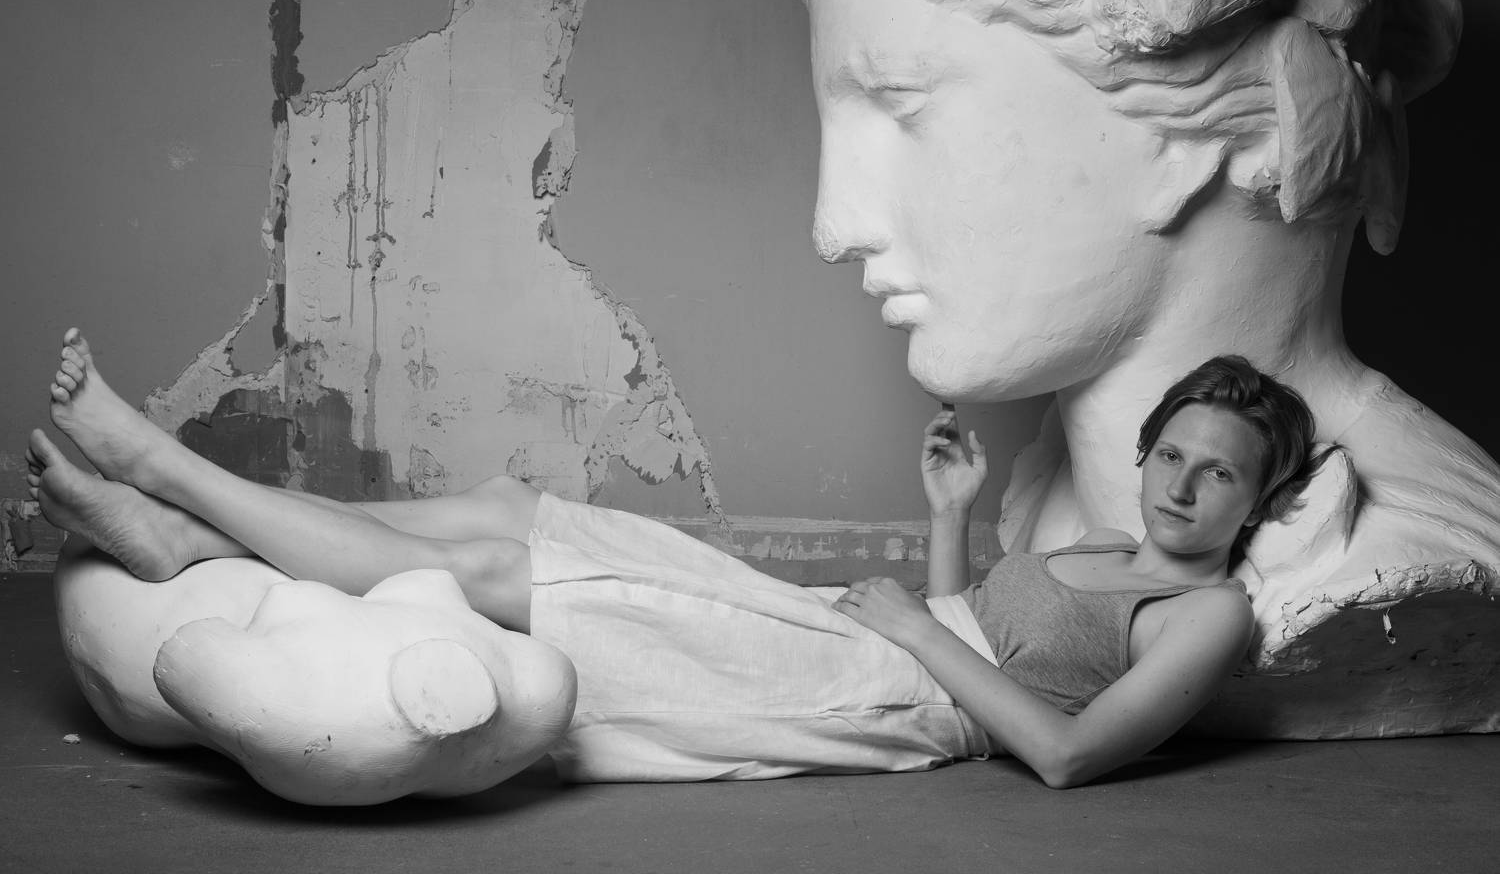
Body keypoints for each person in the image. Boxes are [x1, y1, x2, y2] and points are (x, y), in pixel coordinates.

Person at [753, 0, 1498, 736]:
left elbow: (1058, 747)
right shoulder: (1058, 507)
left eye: (903, 107)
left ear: (1195, 144)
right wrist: (950, 523)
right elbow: (972, 635)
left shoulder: (1414, 559)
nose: (834, 228)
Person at [29, 329, 1319, 787]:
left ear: (1261, 499)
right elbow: (974, 617)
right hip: (864, 629)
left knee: (507, 582)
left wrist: (921, 630)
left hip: (879, 682)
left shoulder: (1211, 614)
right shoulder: (1104, 539)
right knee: (515, 515)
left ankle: (168, 479)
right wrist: (952, 516)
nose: (1181, 485)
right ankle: (194, 534)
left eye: (1219, 474)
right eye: (1171, 454)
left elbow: (1068, 751)